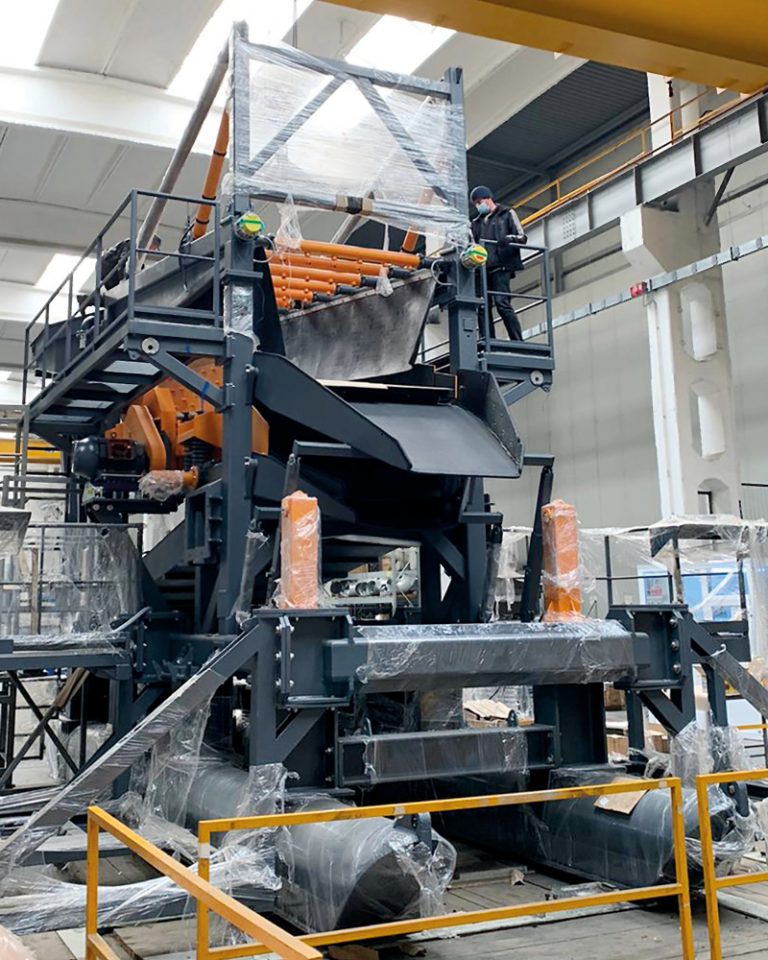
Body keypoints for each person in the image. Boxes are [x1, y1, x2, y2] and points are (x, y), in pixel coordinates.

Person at [469, 186, 526, 341]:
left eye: (479, 202)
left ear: (488, 199)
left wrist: (509, 239)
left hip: (501, 267)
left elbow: (522, 238)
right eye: (476, 204)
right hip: (483, 270)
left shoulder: (507, 214)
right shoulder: (476, 223)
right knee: (482, 307)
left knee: (502, 304)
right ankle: (488, 340)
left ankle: (517, 340)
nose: (478, 206)